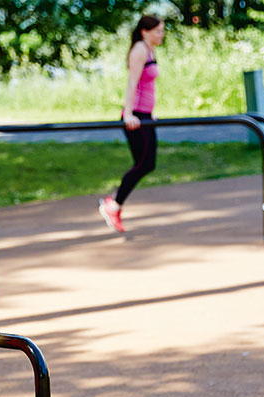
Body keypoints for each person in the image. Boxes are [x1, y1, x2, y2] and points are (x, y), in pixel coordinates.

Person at [99, 15, 166, 233]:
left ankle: (114, 204)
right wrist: (128, 114)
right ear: (145, 32)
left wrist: (151, 112)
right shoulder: (139, 49)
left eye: (162, 30)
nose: (161, 34)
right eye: (158, 31)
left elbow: (147, 87)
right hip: (135, 116)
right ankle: (113, 205)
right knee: (144, 163)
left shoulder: (149, 48)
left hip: (145, 115)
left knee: (146, 163)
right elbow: (132, 83)